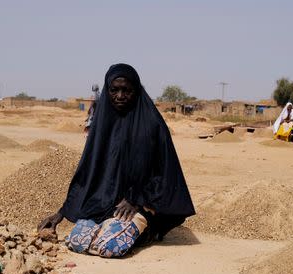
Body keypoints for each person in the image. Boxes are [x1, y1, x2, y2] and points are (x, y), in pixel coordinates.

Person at [38, 63, 195, 258]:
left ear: (136, 90)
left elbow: (166, 175)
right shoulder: (102, 124)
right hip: (103, 203)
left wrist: (136, 199)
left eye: (126, 90)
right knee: (77, 242)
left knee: (109, 248)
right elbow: (88, 172)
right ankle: (112, 225)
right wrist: (61, 212)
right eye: (114, 90)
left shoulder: (152, 124)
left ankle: (147, 231)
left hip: (141, 203)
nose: (120, 96)